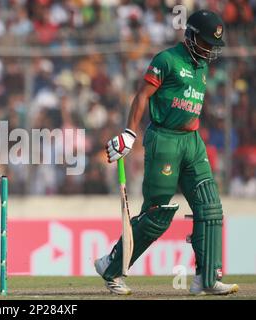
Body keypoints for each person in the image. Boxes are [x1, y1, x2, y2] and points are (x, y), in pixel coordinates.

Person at [95, 10, 239, 295]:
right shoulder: (166, 60)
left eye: (213, 45)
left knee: (209, 207)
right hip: (165, 141)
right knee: (157, 214)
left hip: (192, 142)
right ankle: (111, 267)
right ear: (191, 36)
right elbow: (142, 96)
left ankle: (207, 278)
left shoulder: (202, 66)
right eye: (206, 43)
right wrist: (129, 133)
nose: (210, 50)